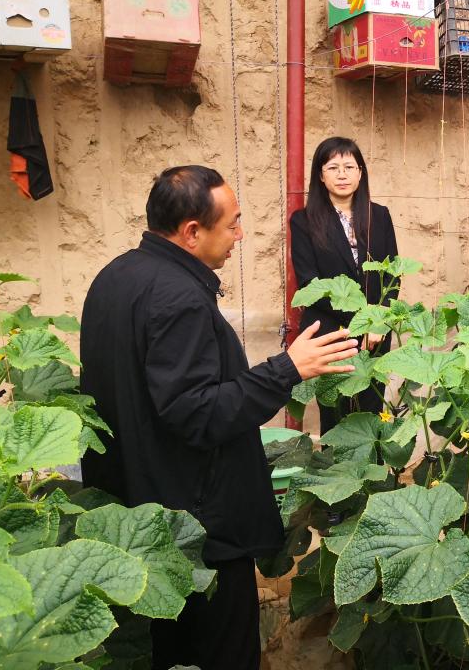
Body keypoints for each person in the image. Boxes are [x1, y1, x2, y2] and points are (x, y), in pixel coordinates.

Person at [80, 166, 358, 670]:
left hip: (140, 518)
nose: (240, 235)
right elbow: (198, 413)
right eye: (232, 224)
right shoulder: (179, 299)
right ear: (192, 231)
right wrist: (288, 369)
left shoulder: (115, 277)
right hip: (198, 532)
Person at [290, 137, 398, 434]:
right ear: (320, 175)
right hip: (330, 333)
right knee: (335, 415)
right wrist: (359, 320)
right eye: (333, 167)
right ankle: (335, 464)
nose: (342, 174)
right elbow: (310, 283)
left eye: (349, 167)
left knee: (371, 413)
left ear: (360, 173)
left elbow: (393, 274)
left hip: (375, 334)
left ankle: (374, 465)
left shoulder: (380, 216)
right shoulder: (303, 221)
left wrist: (378, 321)